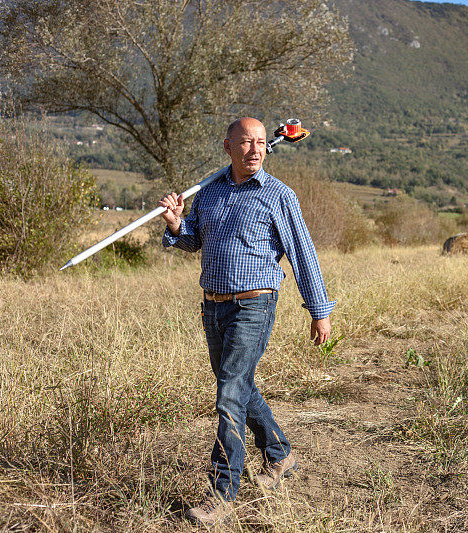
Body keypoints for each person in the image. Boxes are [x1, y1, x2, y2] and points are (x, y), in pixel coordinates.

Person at [159, 117, 334, 525]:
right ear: (228, 147)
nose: (255, 149)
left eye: (260, 142)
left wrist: (319, 310)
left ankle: (222, 494)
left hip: (255, 304)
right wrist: (174, 223)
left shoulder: (279, 196)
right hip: (213, 305)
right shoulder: (208, 192)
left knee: (229, 395)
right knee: (236, 385)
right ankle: (280, 454)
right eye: (245, 143)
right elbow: (193, 240)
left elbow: (304, 256)